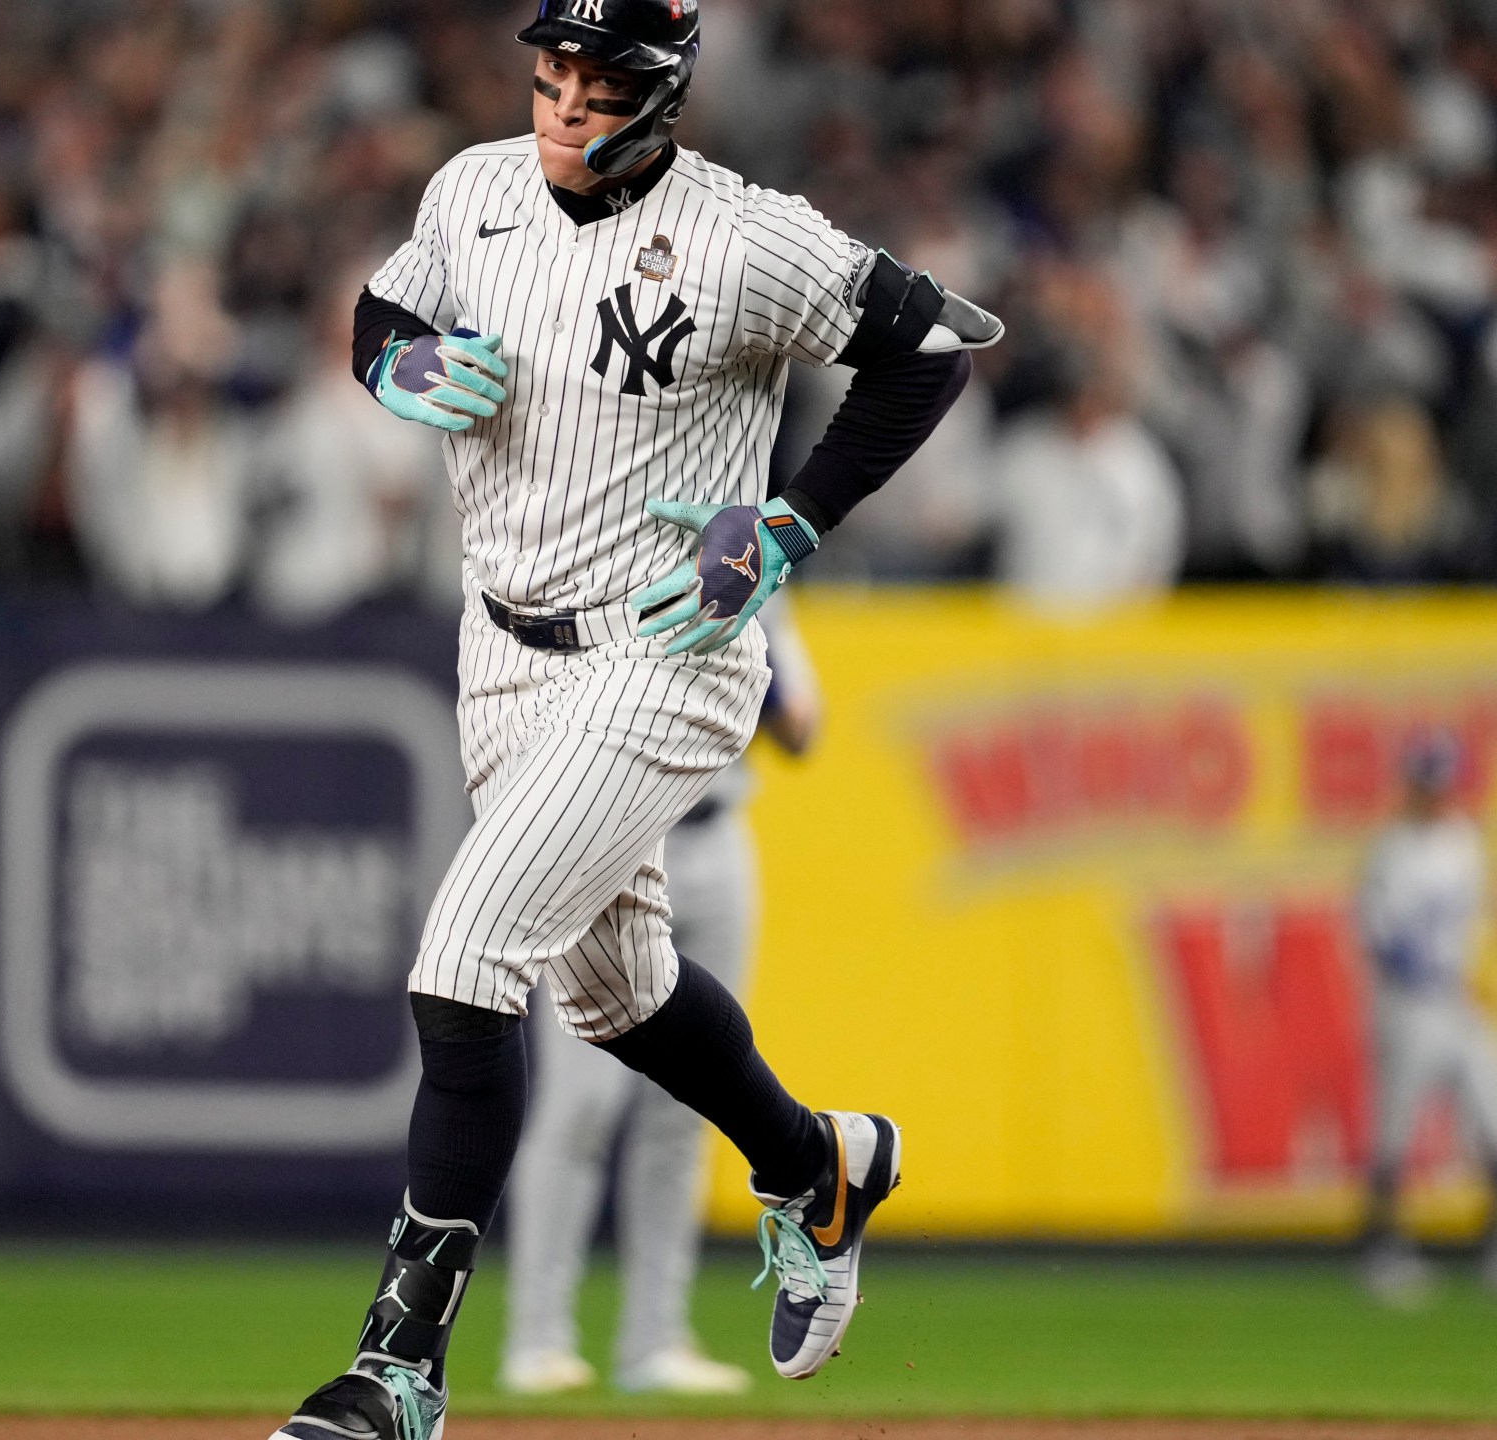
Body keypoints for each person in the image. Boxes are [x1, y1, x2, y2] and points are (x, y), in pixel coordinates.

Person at [271, 2, 999, 1435]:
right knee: (616, 995)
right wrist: (392, 365)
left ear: (660, 96)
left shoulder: (746, 236)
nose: (560, 108)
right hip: (506, 647)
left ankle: (397, 1371)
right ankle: (820, 1164)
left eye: (594, 87)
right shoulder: (472, 190)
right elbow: (380, 307)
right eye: (547, 78)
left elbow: (933, 348)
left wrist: (786, 524)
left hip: (667, 644)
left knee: (468, 957)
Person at [499, 599, 819, 1399]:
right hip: (608, 838)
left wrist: (742, 627)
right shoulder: (601, 570)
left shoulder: (756, 580)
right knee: (583, 1102)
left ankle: (654, 1339)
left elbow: (803, 730)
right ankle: (536, 1339)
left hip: (718, 838)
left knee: (690, 1108)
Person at [1356, 730, 1497, 1309]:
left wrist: (1468, 985)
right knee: (1396, 1125)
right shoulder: (1390, 850)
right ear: (1409, 786)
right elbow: (1382, 940)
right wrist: (1434, 982)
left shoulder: (1463, 843)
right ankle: (1381, 1247)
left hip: (1457, 1002)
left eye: (1442, 783)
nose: (1435, 795)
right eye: (1425, 783)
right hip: (1408, 1005)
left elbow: (1472, 928)